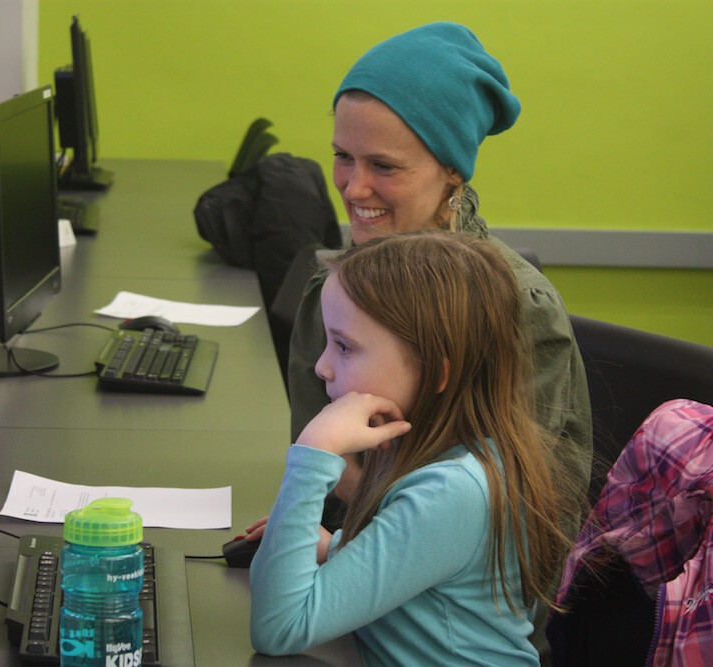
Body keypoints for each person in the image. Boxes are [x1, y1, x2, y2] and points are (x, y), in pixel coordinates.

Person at [286, 21, 592, 546]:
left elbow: (516, 522)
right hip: (347, 571)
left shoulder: (514, 305)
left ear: (452, 170)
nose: (354, 187)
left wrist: (341, 543)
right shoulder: (332, 291)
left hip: (456, 613)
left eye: (383, 165)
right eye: (343, 156)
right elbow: (316, 469)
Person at [249, 231, 576, 665]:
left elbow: (278, 626)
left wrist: (316, 451)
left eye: (345, 346)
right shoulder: (428, 453)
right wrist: (338, 547)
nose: (322, 366)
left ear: (436, 371)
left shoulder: (454, 489)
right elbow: (423, 561)